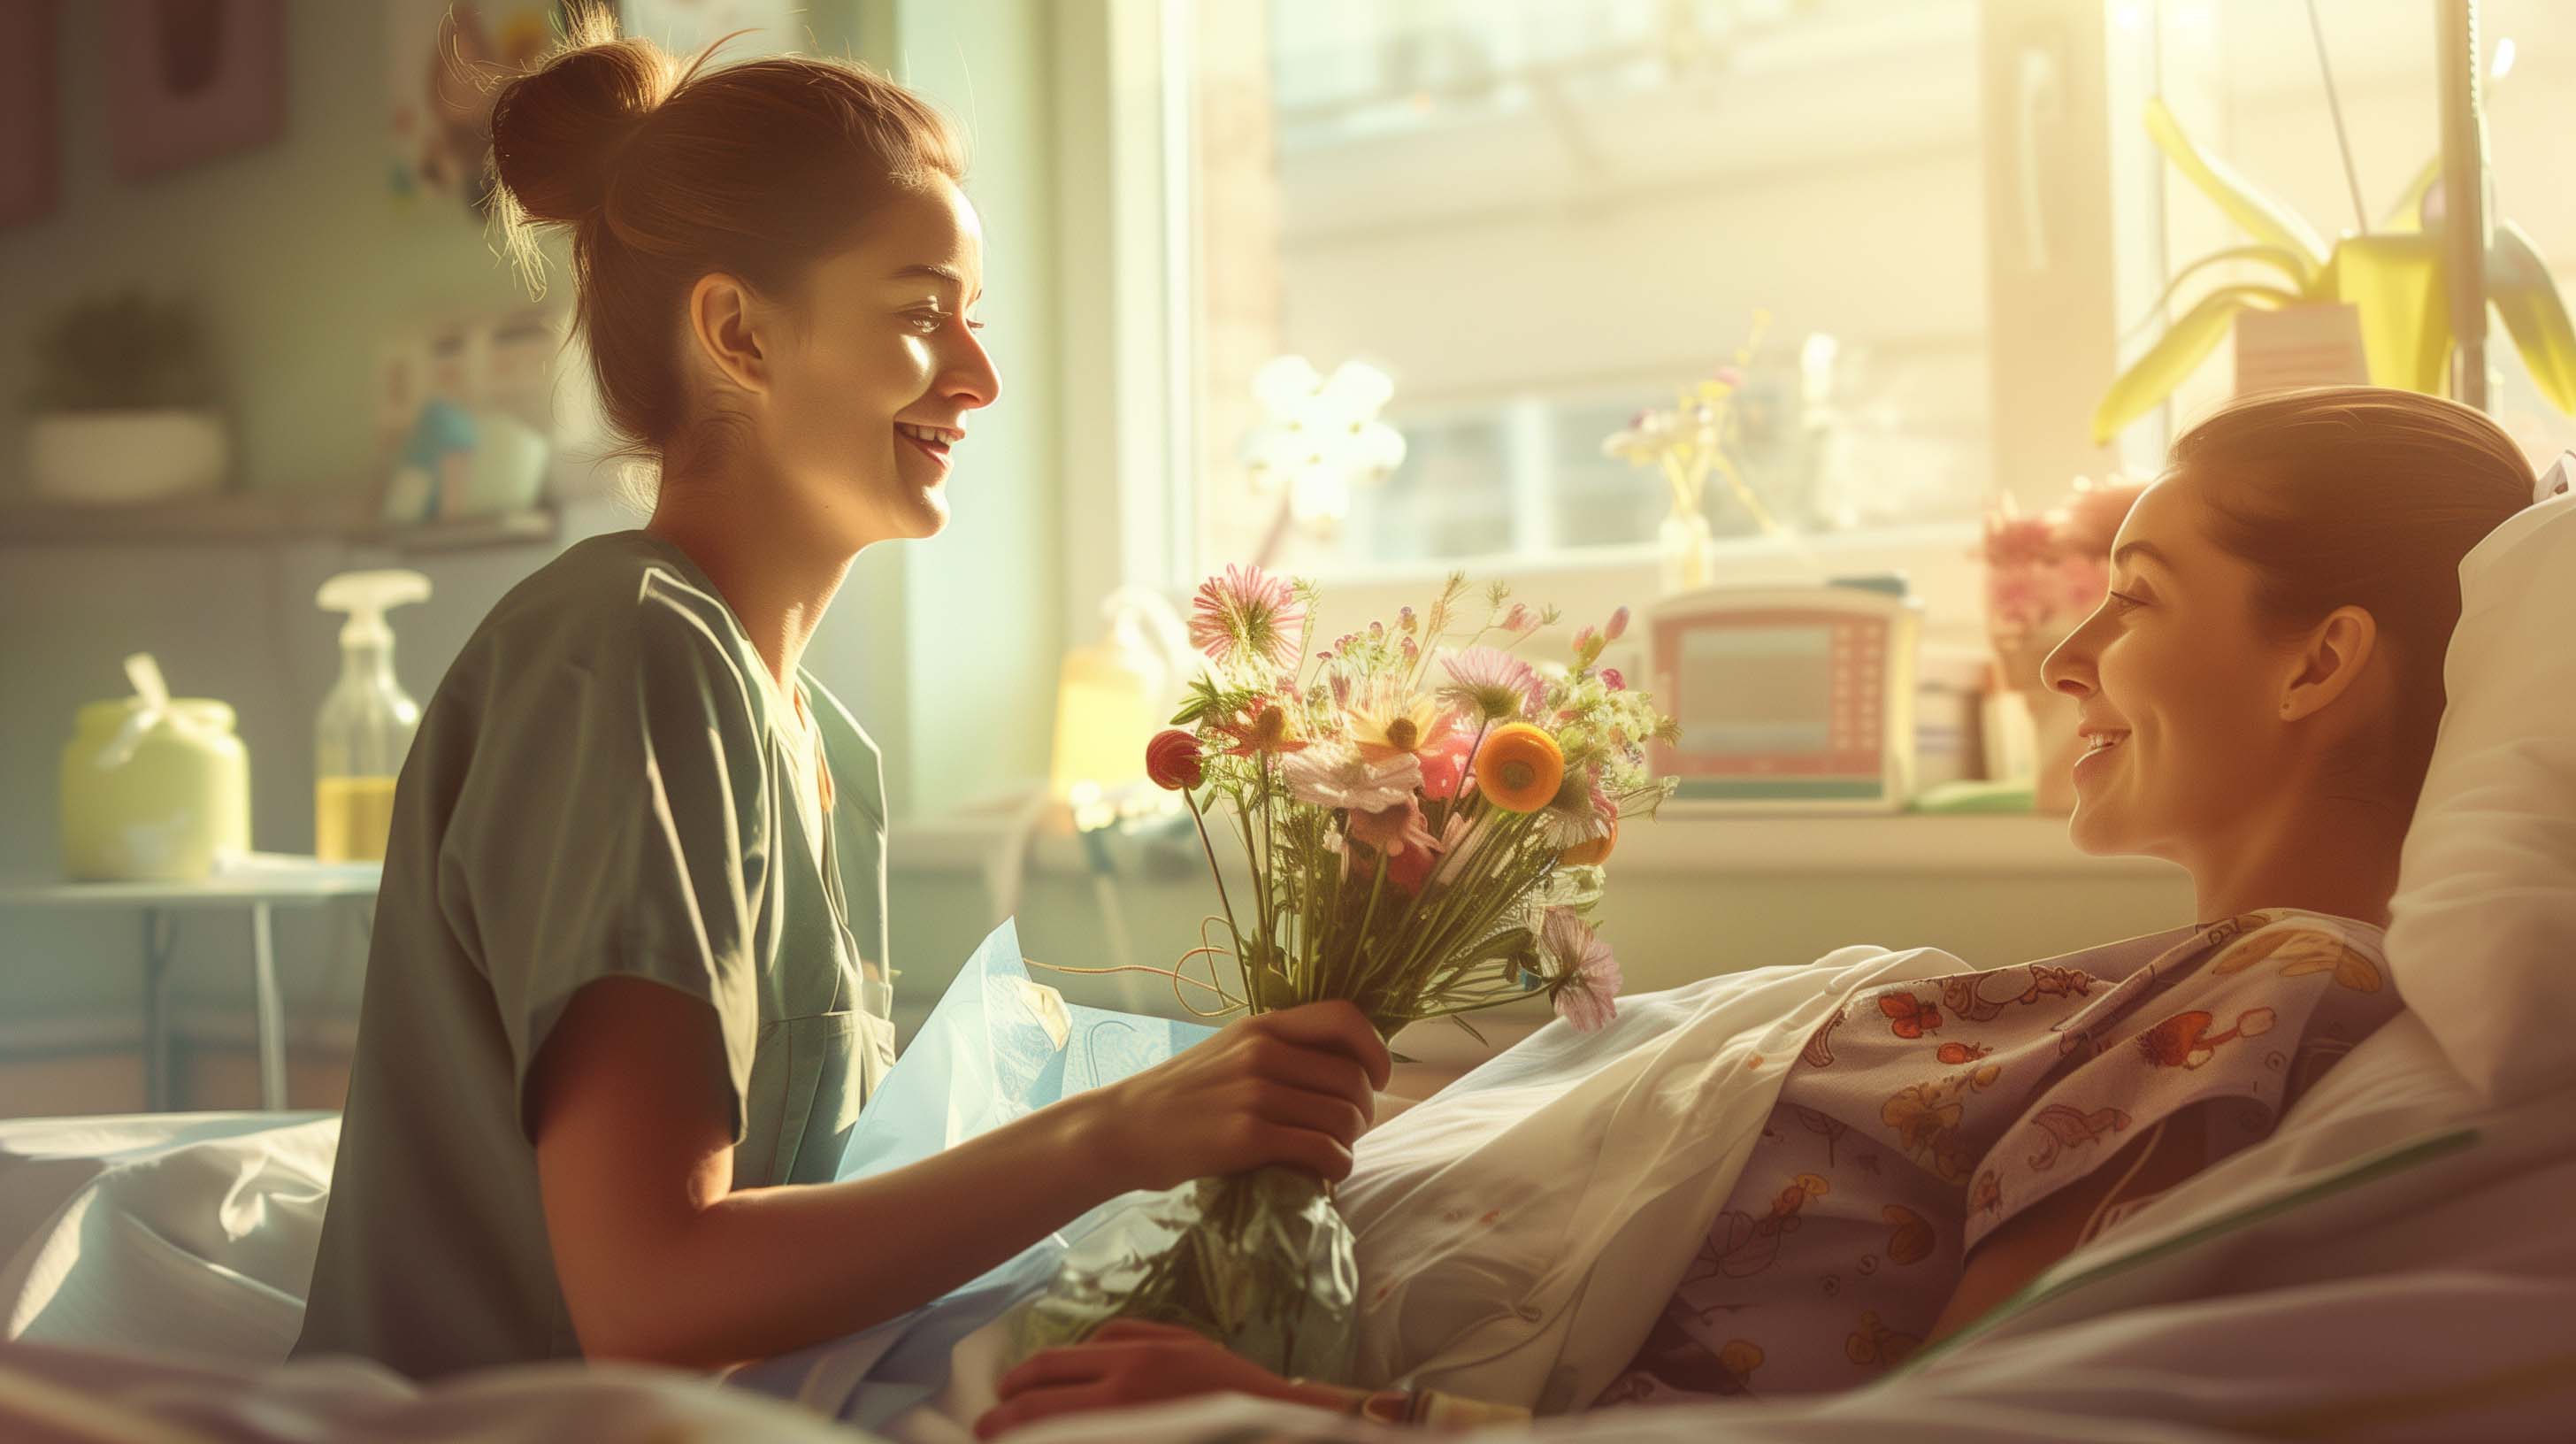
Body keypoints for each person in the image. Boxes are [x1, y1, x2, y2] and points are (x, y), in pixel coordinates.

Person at [974, 387, 2544, 1432]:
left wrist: (1298, 1417)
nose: (2066, 660)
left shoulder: (2282, 1001)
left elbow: (1938, 1416)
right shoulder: (2186, 988)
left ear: (2321, 662)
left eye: (2135, 599)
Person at [295, 14, 1388, 1380]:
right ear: (739, 332)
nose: (981, 379)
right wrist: (1116, 1136)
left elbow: (792, 1257)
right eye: (924, 314)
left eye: (974, 321)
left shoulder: (823, 746)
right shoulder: (626, 663)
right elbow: (653, 1295)